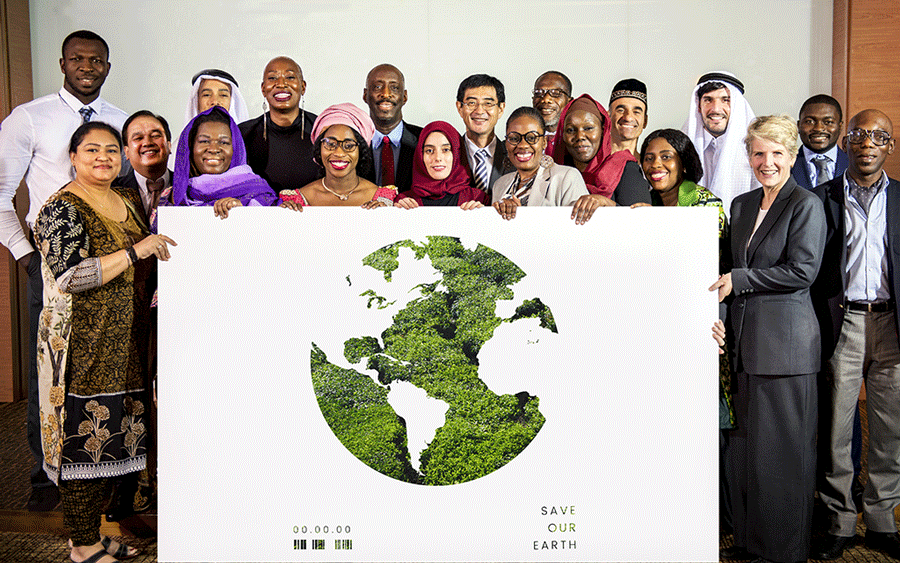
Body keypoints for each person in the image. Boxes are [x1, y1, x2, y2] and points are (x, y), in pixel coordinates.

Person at [33, 121, 175, 563]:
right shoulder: (62, 208)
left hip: (125, 341)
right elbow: (71, 275)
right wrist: (135, 251)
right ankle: (82, 546)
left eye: (112, 150)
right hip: (83, 346)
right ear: (72, 156)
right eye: (91, 149)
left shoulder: (125, 199)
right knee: (83, 443)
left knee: (111, 442)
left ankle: (91, 533)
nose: (104, 157)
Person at [0, 29, 127, 513]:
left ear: (107, 68)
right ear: (62, 63)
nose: (87, 66)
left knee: (99, 372)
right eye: (78, 58)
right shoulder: (29, 119)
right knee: (50, 373)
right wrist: (26, 254)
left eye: (96, 60)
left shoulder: (117, 122)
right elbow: (0, 192)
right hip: (52, 267)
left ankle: (97, 471)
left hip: (112, 268)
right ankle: (43, 477)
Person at [710, 114, 826, 563]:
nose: (767, 161)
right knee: (748, 457)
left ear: (793, 156)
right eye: (758, 152)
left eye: (777, 153)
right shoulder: (740, 206)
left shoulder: (806, 204)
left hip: (786, 350)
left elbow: (802, 271)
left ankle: (783, 551)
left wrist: (739, 280)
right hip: (744, 346)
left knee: (783, 458)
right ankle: (751, 542)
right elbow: (723, 273)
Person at [812, 109, 900, 561]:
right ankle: (840, 520)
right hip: (842, 322)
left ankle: (883, 520)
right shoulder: (820, 197)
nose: (868, 143)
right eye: (860, 134)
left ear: (889, 146)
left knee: (889, 429)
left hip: (891, 326)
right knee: (837, 427)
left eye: (878, 136)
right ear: (847, 143)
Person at [639, 128, 735, 534]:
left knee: (706, 428)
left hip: (703, 329)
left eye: (666, 157)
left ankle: (718, 522)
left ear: (683, 161)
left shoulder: (706, 205)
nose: (656, 165)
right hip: (656, 331)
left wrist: (649, 222)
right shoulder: (644, 205)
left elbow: (700, 258)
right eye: (649, 158)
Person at [107, 110, 172, 522]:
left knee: (169, 397)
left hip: (176, 308)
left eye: (156, 134)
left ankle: (169, 482)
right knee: (128, 401)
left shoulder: (187, 184)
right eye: (137, 137)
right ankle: (131, 490)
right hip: (125, 311)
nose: (147, 142)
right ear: (126, 148)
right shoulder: (111, 191)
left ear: (168, 141)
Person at [279, 103, 396, 208]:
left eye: (349, 145)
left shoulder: (382, 199)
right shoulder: (299, 199)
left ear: (361, 151)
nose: (339, 153)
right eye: (330, 144)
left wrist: (386, 217)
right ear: (319, 149)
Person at [167, 106, 278, 216]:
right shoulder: (174, 195)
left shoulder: (258, 190)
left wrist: (242, 212)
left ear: (235, 149)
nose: (214, 149)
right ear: (190, 147)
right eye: (204, 141)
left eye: (224, 142)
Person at [491, 107, 593, 222]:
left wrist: (521, 219)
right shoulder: (499, 185)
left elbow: (579, 228)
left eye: (532, 138)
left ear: (544, 142)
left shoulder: (567, 177)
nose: (523, 145)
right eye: (514, 138)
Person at [551, 94, 651, 206]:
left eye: (588, 128)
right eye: (570, 130)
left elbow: (642, 220)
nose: (580, 136)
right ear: (562, 134)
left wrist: (608, 205)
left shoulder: (624, 170)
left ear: (603, 130)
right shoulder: (554, 174)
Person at [240, 57, 319, 195]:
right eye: (272, 78)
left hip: (313, 213)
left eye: (289, 77)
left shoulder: (322, 130)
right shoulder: (243, 134)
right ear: (263, 89)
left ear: (303, 87)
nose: (281, 84)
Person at [682, 71, 757, 216]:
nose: (715, 109)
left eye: (725, 100)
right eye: (708, 100)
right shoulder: (680, 148)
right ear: (698, 106)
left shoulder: (755, 150)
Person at [393, 120, 485, 209]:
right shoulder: (405, 201)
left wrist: (485, 215)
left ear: (457, 155)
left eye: (446, 150)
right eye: (429, 150)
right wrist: (397, 212)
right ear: (420, 156)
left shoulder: (477, 198)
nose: (437, 158)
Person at [361, 64, 422, 193]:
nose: (386, 94)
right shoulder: (351, 142)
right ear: (365, 95)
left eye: (394, 88)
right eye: (378, 87)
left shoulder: (425, 140)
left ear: (404, 97)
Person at [455, 74, 513, 193]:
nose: (480, 111)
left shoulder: (514, 155)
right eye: (471, 103)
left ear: (501, 109)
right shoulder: (448, 155)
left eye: (488, 103)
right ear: (460, 108)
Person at [791, 94, 848, 190]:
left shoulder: (854, 165)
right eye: (809, 122)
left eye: (828, 122)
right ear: (798, 126)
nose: (818, 128)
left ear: (840, 126)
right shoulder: (784, 165)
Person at [183, 68, 249, 126]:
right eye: (207, 95)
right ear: (197, 101)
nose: (215, 102)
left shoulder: (246, 139)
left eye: (223, 95)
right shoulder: (181, 140)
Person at [531, 71, 572, 156]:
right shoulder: (520, 140)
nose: (546, 99)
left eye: (556, 93)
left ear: (569, 102)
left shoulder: (577, 141)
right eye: (539, 93)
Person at [609, 78, 648, 159]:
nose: (628, 118)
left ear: (645, 121)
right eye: (621, 110)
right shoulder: (592, 165)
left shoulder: (647, 169)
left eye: (636, 112)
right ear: (608, 116)